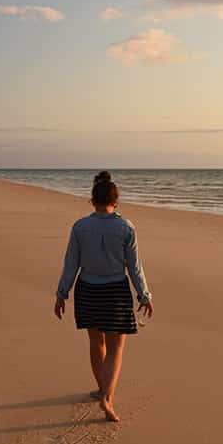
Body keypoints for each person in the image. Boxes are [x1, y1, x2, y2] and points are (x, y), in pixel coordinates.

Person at [54, 173, 153, 422]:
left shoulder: (80, 227)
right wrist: (144, 295)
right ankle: (107, 397)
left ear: (92, 200)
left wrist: (61, 294)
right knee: (116, 347)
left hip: (87, 289)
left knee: (96, 343)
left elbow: (71, 264)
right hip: (115, 292)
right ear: (116, 202)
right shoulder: (126, 227)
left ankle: (101, 389)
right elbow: (135, 267)